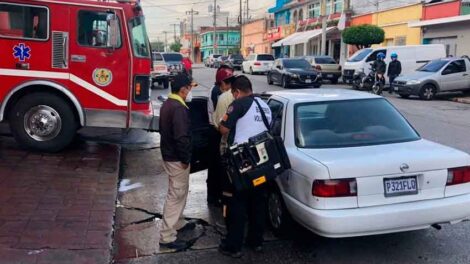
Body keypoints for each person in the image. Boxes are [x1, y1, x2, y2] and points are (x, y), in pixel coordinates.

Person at [218, 76, 272, 258]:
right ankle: (256, 241)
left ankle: (233, 246)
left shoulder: (239, 104)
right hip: (262, 162)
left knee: (236, 204)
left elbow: (223, 129)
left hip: (241, 163)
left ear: (237, 92)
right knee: (258, 202)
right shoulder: (264, 106)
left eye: (233, 94)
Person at [159, 73, 195, 251]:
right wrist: (185, 159)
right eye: (190, 88)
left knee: (179, 192)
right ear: (183, 89)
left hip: (169, 155)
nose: (190, 91)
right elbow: (181, 137)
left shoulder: (169, 103)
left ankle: (178, 222)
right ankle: (167, 236)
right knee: (176, 194)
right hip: (176, 158)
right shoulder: (178, 109)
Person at [206, 65, 235, 206]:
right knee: (216, 166)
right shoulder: (218, 94)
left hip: (219, 129)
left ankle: (218, 195)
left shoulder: (221, 92)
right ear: (222, 83)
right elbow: (222, 119)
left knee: (219, 166)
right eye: (228, 83)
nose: (229, 86)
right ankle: (214, 197)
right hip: (216, 131)